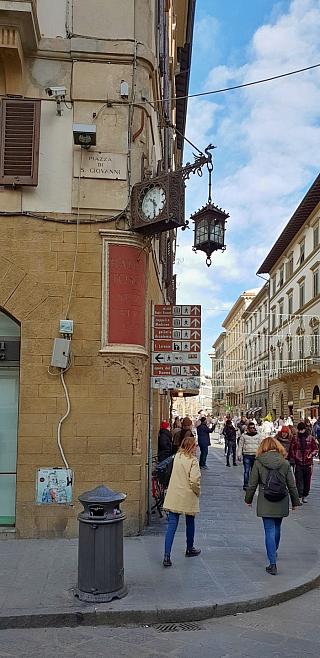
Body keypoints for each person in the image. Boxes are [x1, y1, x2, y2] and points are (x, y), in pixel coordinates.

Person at [245, 436, 300, 576]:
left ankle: (272, 563)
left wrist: (248, 499)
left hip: (265, 498)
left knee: (268, 529)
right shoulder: (285, 462)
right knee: (277, 527)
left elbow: (252, 483)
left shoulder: (258, 462)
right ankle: (274, 551)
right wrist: (295, 502)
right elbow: (291, 485)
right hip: (281, 498)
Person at [162, 435, 201, 567]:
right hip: (188, 494)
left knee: (172, 525)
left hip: (174, 494)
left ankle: (167, 555)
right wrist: (197, 491)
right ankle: (189, 548)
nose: (196, 447)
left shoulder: (177, 457)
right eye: (195, 445)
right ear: (191, 446)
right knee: (190, 522)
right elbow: (194, 480)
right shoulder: (193, 461)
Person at [289, 422, 318, 503]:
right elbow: (292, 449)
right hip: (298, 462)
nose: (300, 431)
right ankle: (299, 495)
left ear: (305, 429)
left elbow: (315, 449)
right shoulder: (295, 438)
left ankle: (305, 494)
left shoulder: (310, 438)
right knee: (299, 479)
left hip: (308, 462)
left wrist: (311, 455)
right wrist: (295, 456)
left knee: (307, 480)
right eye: (299, 430)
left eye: (302, 430)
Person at [237, 421, 261, 491]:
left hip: (255, 455)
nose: (252, 429)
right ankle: (246, 485)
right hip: (246, 454)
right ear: (248, 428)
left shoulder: (258, 436)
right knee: (246, 471)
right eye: (251, 428)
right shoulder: (244, 436)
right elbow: (240, 445)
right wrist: (239, 455)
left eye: (253, 428)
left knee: (254, 472)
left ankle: (253, 485)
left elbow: (261, 446)